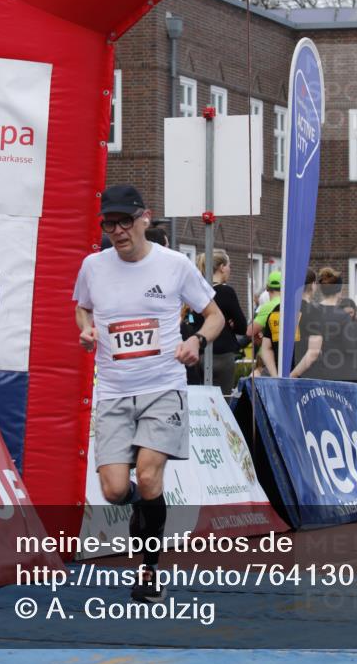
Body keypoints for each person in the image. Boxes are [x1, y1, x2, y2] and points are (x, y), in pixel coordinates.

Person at [73, 183, 224, 602]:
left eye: (125, 222)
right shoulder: (93, 267)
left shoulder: (174, 265)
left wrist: (196, 342)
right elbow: (81, 305)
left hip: (163, 386)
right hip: (114, 392)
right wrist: (84, 329)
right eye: (109, 224)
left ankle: (148, 569)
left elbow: (214, 315)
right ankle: (144, 506)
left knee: (150, 473)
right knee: (115, 490)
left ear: (145, 218)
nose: (118, 231)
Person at [191, 249, 247, 397]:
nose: (230, 269)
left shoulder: (197, 290)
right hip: (223, 355)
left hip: (200, 353)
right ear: (222, 267)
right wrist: (230, 323)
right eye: (229, 266)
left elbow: (192, 321)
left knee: (202, 401)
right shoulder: (226, 292)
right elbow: (242, 326)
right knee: (222, 404)